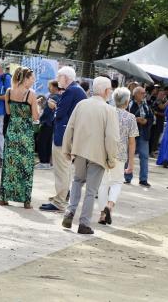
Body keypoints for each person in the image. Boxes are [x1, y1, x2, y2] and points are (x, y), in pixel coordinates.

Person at [61, 76, 120, 234]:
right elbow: (112, 138)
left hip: (79, 151)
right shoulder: (109, 110)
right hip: (98, 155)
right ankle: (84, 223)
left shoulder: (81, 104)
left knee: (77, 182)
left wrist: (67, 149)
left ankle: (69, 212)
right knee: (91, 191)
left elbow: (70, 128)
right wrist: (111, 158)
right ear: (107, 91)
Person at [40, 66, 87, 213]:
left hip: (64, 135)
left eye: (59, 76)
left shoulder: (71, 90)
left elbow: (61, 113)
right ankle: (61, 197)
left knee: (62, 169)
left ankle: (59, 201)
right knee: (65, 169)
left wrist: (54, 107)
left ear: (66, 78)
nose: (57, 79)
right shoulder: (77, 90)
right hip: (71, 134)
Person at [0, 67, 40, 208]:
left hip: (12, 131)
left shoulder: (8, 92)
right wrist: (37, 105)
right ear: (25, 78)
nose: (33, 80)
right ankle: (25, 201)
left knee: (9, 164)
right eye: (32, 78)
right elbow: (35, 116)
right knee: (26, 165)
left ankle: (3, 198)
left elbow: (8, 111)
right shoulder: (31, 94)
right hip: (25, 133)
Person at [98, 87, 138, 225]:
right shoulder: (131, 117)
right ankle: (110, 205)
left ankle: (102, 214)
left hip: (104, 153)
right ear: (127, 101)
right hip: (120, 155)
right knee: (116, 182)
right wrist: (131, 163)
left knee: (103, 184)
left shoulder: (106, 112)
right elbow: (132, 142)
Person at [126, 87, 153, 187]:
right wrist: (135, 119)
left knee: (144, 157)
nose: (144, 95)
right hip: (131, 133)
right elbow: (124, 116)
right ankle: (127, 177)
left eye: (144, 93)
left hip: (143, 133)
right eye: (142, 93)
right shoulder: (129, 104)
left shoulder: (146, 105)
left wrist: (146, 121)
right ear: (136, 94)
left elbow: (151, 118)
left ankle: (143, 179)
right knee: (129, 155)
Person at [35, 81, 59, 170]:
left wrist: (40, 119)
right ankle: (46, 162)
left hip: (47, 122)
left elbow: (47, 111)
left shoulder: (53, 97)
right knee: (47, 142)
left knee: (42, 141)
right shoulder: (57, 97)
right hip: (51, 123)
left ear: (55, 87)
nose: (48, 88)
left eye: (50, 86)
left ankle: (43, 162)